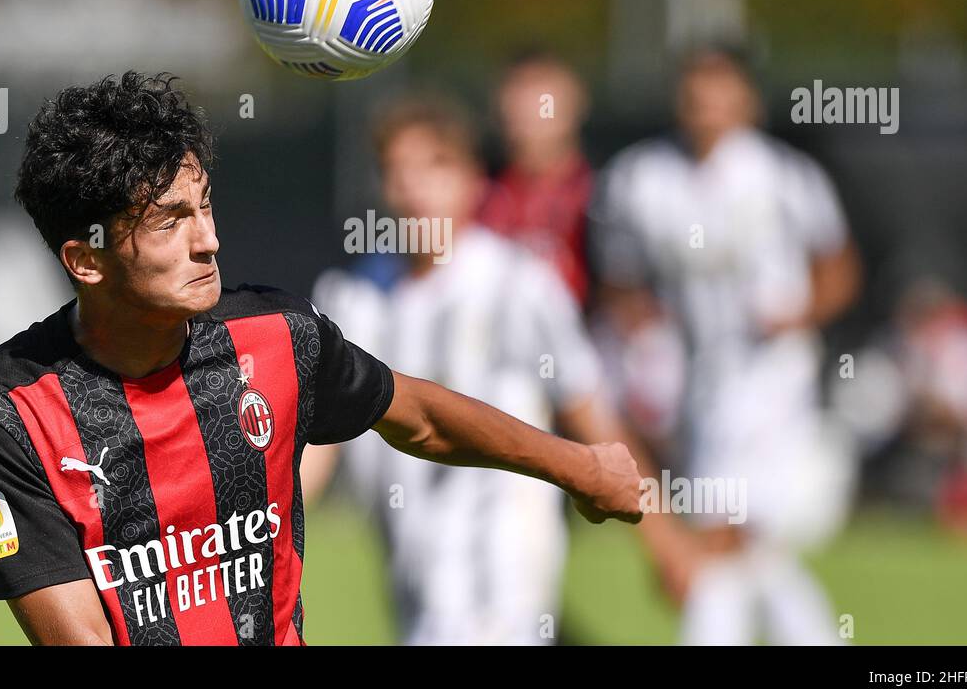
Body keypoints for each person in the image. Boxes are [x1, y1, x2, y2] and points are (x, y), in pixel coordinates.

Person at [0, 71, 645, 647]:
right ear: (85, 260)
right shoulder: (1, 409)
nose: (208, 241)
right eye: (170, 222)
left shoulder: (278, 335)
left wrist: (581, 467)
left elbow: (419, 416)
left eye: (205, 206)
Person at [302, 93, 696, 644]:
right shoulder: (354, 299)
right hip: (413, 576)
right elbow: (320, 447)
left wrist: (663, 539)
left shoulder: (519, 284)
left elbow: (590, 413)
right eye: (397, 169)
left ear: (473, 181)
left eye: (434, 166)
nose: (413, 187)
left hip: (503, 569)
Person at [589, 47, 862, 644]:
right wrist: (643, 338)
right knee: (747, 544)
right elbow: (620, 284)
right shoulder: (641, 179)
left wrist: (798, 316)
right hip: (698, 378)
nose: (705, 105)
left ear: (746, 98)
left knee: (723, 527)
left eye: (720, 89)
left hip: (773, 380)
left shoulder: (786, 177)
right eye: (694, 90)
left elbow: (839, 270)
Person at [478, 48, 595, 306]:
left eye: (539, 97)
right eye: (518, 94)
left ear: (574, 105)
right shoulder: (476, 197)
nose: (527, 112)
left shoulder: (602, 198)